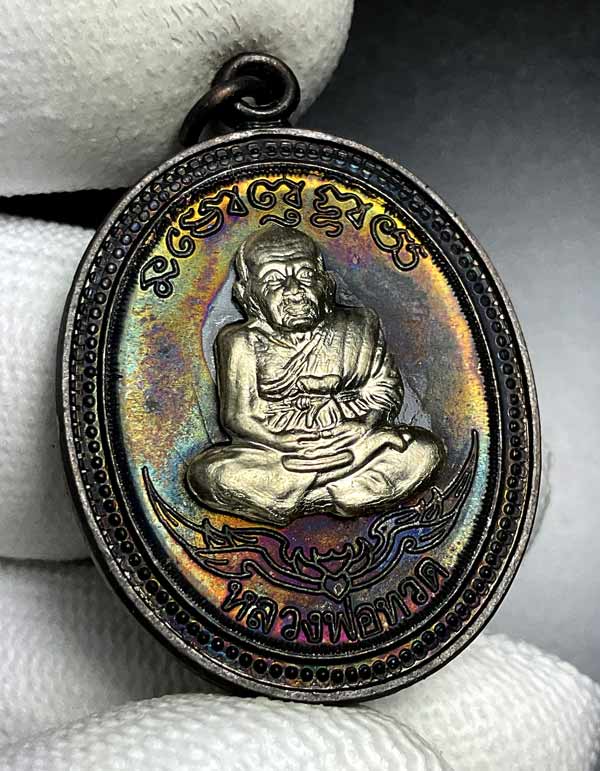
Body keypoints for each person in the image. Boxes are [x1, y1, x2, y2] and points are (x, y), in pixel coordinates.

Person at [187, 224, 444, 525]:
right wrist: (293, 443)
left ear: (326, 283)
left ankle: (293, 498)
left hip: (351, 438)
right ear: (248, 294)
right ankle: (339, 490)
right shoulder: (240, 341)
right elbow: (239, 417)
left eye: (305, 274)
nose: (294, 291)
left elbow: (384, 387)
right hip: (281, 453)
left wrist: (362, 426)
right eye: (274, 280)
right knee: (210, 474)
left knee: (425, 450)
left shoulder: (360, 324)